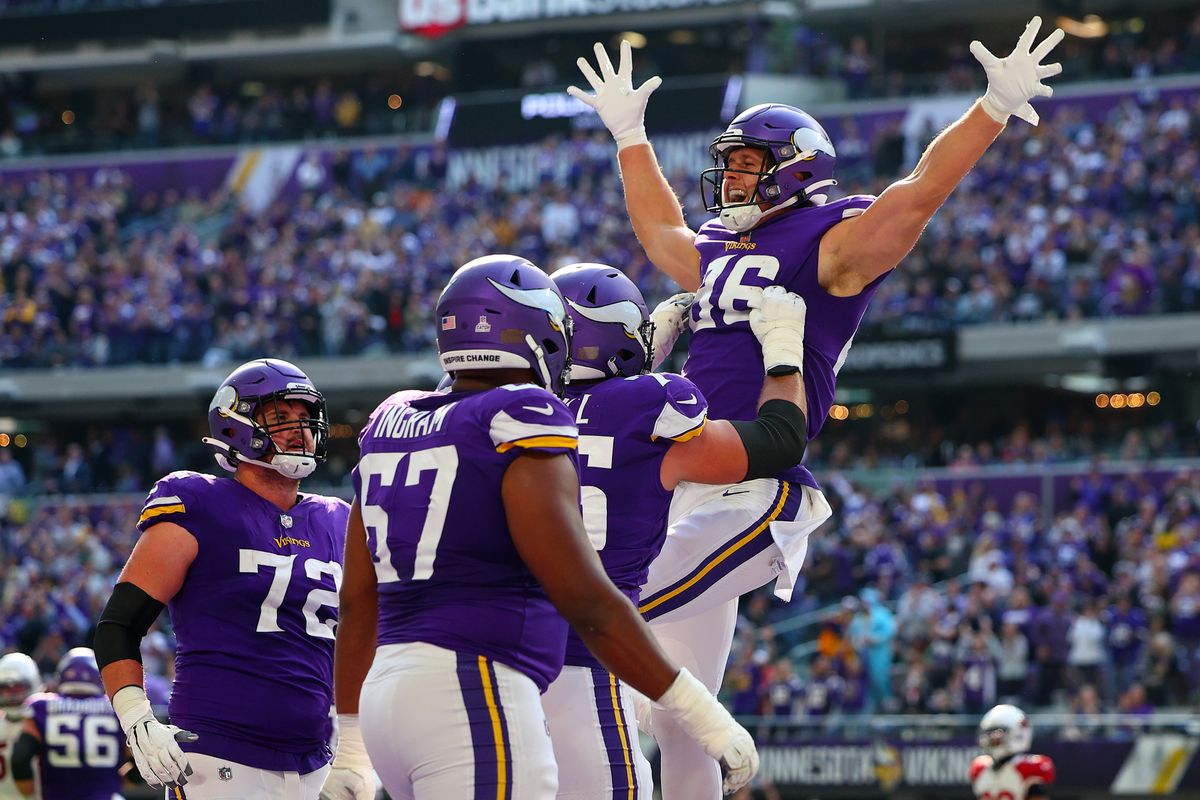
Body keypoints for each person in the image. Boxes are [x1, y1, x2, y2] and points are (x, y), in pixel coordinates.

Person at [568, 19, 1063, 796]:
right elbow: (660, 229)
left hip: (754, 489)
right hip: (686, 484)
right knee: (678, 708)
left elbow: (918, 194)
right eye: (727, 165)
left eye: (746, 164)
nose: (730, 178)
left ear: (794, 171)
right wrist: (630, 135)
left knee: (603, 607)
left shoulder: (828, 242)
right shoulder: (721, 248)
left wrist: (992, 108)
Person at [326, 255, 759, 800]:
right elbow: (584, 599)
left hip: (388, 695)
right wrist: (698, 712)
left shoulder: (392, 419)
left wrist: (350, 738)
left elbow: (359, 601)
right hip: (472, 688)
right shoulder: (523, 413)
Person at [541, 263, 809, 799]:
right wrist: (782, 353)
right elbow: (781, 439)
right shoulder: (647, 404)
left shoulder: (504, 414)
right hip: (588, 652)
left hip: (502, 648)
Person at [93, 358, 351, 798]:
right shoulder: (199, 503)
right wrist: (137, 720)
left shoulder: (337, 519)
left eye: (305, 417)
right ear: (237, 426)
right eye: (281, 416)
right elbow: (119, 626)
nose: (300, 429)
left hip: (318, 758)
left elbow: (369, 637)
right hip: (219, 756)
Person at [11, 648, 126, 800]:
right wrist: (123, 782)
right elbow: (139, 762)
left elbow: (20, 758)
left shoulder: (41, 706)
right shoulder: (117, 707)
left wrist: (28, 793)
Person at [970, 704, 1054, 799]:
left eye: (998, 733)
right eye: (990, 733)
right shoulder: (980, 766)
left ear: (1017, 734)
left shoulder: (1030, 767)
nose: (992, 738)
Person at [0, 653, 42, 800]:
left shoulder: (42, 720)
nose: (11, 696)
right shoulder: (43, 722)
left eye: (17, 689)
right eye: (6, 690)